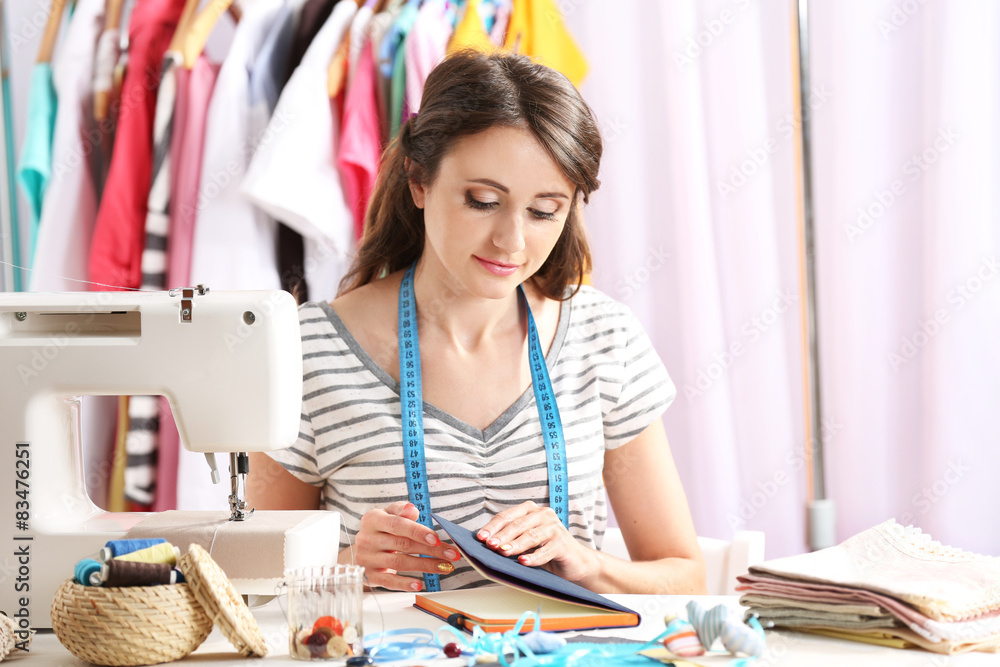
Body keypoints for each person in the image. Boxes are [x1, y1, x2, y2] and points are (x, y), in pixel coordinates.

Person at [247, 50, 706, 595]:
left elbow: (685, 576)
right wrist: (347, 565)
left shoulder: (605, 339)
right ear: (419, 181)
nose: (511, 242)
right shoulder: (307, 351)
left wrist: (589, 566)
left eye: (543, 211)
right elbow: (251, 582)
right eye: (483, 201)